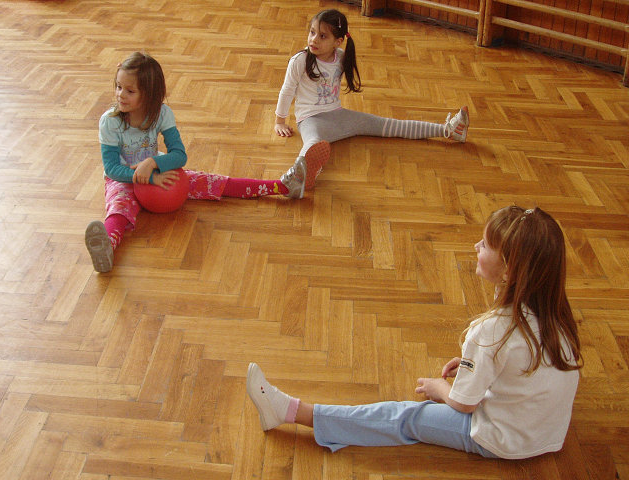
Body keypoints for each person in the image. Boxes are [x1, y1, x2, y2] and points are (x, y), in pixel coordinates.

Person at [246, 205, 583, 459]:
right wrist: (477, 366)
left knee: (405, 416)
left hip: (503, 440)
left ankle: (293, 412)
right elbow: (518, 364)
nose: (476, 246)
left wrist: (441, 389)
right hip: (547, 433)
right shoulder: (554, 311)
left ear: (509, 270)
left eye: (485, 245)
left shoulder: (491, 332)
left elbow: (464, 404)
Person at [85, 52, 329, 273]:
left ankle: (284, 186)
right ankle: (107, 245)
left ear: (148, 94)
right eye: (118, 87)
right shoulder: (110, 122)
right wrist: (148, 177)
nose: (120, 95)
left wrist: (153, 163)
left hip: (159, 170)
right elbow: (111, 168)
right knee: (119, 208)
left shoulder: (162, 113)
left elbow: (179, 155)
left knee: (215, 182)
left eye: (129, 91)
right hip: (123, 178)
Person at [274, 9, 470, 190]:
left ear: (338, 41)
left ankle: (448, 131)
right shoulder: (300, 60)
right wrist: (279, 121)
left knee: (388, 125)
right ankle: (298, 178)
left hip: (337, 116)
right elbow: (287, 90)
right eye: (312, 32)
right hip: (309, 119)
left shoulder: (341, 57)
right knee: (312, 142)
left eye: (322, 36)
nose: (314, 39)